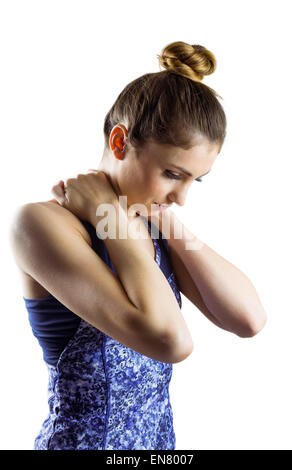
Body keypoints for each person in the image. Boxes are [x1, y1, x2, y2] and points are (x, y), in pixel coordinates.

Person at [9, 41, 267, 450]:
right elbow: (172, 341)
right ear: (119, 142)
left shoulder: (152, 220)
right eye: (171, 174)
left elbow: (248, 319)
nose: (181, 197)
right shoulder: (42, 223)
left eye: (193, 180)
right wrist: (107, 216)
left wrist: (157, 215)